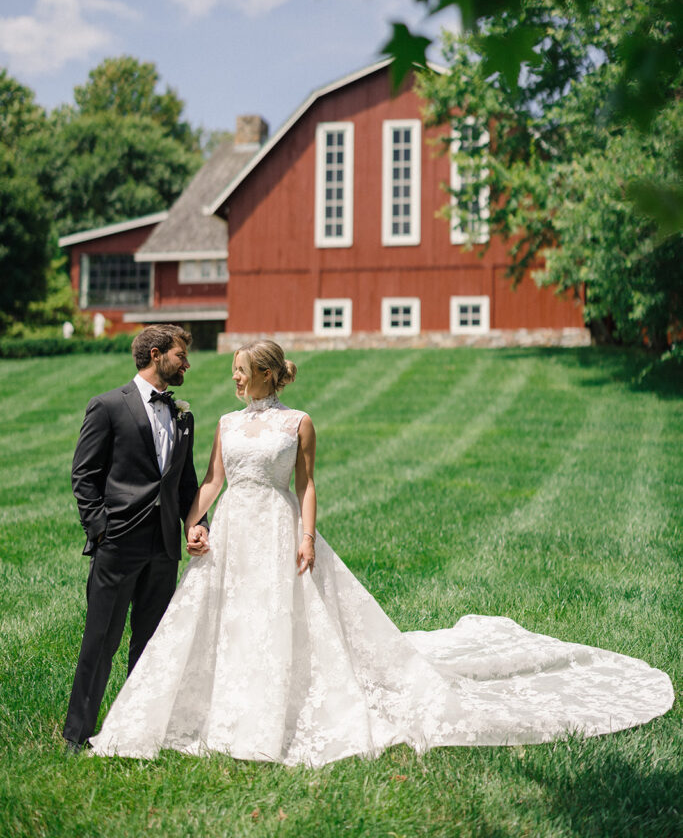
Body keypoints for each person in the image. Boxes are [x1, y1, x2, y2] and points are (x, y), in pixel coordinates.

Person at [89, 340, 673, 766]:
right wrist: (195, 524)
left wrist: (307, 536)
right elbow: (213, 480)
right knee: (225, 619)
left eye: (242, 372)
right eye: (234, 373)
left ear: (267, 374)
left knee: (276, 618)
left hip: (277, 530)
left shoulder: (299, 423)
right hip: (234, 531)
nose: (235, 380)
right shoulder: (223, 422)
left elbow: (306, 486)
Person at [63, 324, 209, 753]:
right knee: (100, 642)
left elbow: (186, 482)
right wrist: (101, 530)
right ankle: (77, 736)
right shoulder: (108, 406)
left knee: (151, 646)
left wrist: (198, 523)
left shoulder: (183, 415)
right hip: (118, 544)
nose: (187, 364)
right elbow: (84, 475)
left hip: (164, 547)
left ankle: (136, 733)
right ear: (156, 354)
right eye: (181, 355)